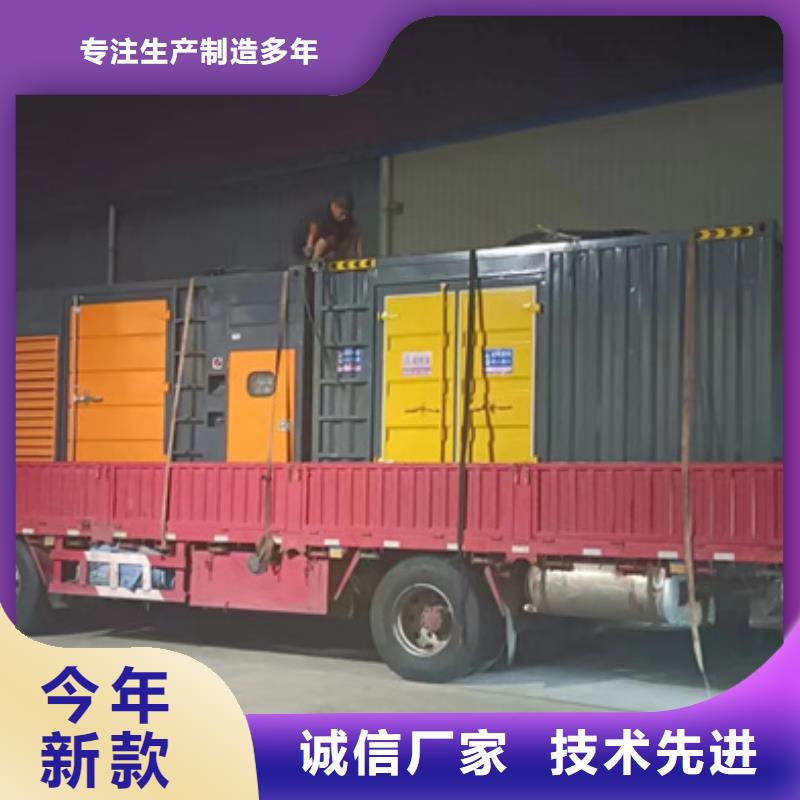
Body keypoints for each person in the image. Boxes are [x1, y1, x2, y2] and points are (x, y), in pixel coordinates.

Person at [296, 192, 364, 261]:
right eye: (342, 214)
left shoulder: (346, 217)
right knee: (325, 241)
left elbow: (357, 233)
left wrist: (360, 256)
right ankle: (315, 261)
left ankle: (336, 258)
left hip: (326, 242)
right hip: (305, 243)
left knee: (350, 233)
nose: (344, 217)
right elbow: (312, 233)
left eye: (346, 214)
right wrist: (309, 248)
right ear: (334, 206)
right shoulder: (321, 212)